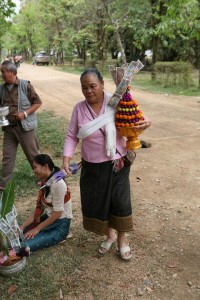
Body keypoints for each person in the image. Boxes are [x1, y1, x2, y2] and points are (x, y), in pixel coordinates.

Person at [62, 68, 151, 260]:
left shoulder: (116, 102)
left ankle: (122, 240)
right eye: (84, 87)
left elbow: (137, 118)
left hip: (117, 162)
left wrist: (146, 122)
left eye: (93, 86)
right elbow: (71, 135)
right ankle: (110, 235)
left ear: (102, 85)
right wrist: (66, 158)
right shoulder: (79, 108)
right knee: (100, 201)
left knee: (119, 200)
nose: (89, 91)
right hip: (92, 165)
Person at [0, 60, 42, 192]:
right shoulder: (1, 89)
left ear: (12, 72)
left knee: (33, 155)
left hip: (24, 128)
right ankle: (3, 187)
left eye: (4, 72)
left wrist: (25, 113)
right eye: (1, 73)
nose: (2, 75)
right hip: (9, 129)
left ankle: (44, 179)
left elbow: (38, 102)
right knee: (7, 158)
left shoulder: (25, 85)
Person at [20, 154, 72, 252]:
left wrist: (37, 228)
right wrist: (22, 227)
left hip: (59, 226)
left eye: (35, 167)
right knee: (18, 236)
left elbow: (57, 213)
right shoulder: (46, 181)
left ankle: (61, 236)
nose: (33, 170)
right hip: (48, 218)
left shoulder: (58, 184)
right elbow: (40, 209)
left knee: (23, 247)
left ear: (45, 167)